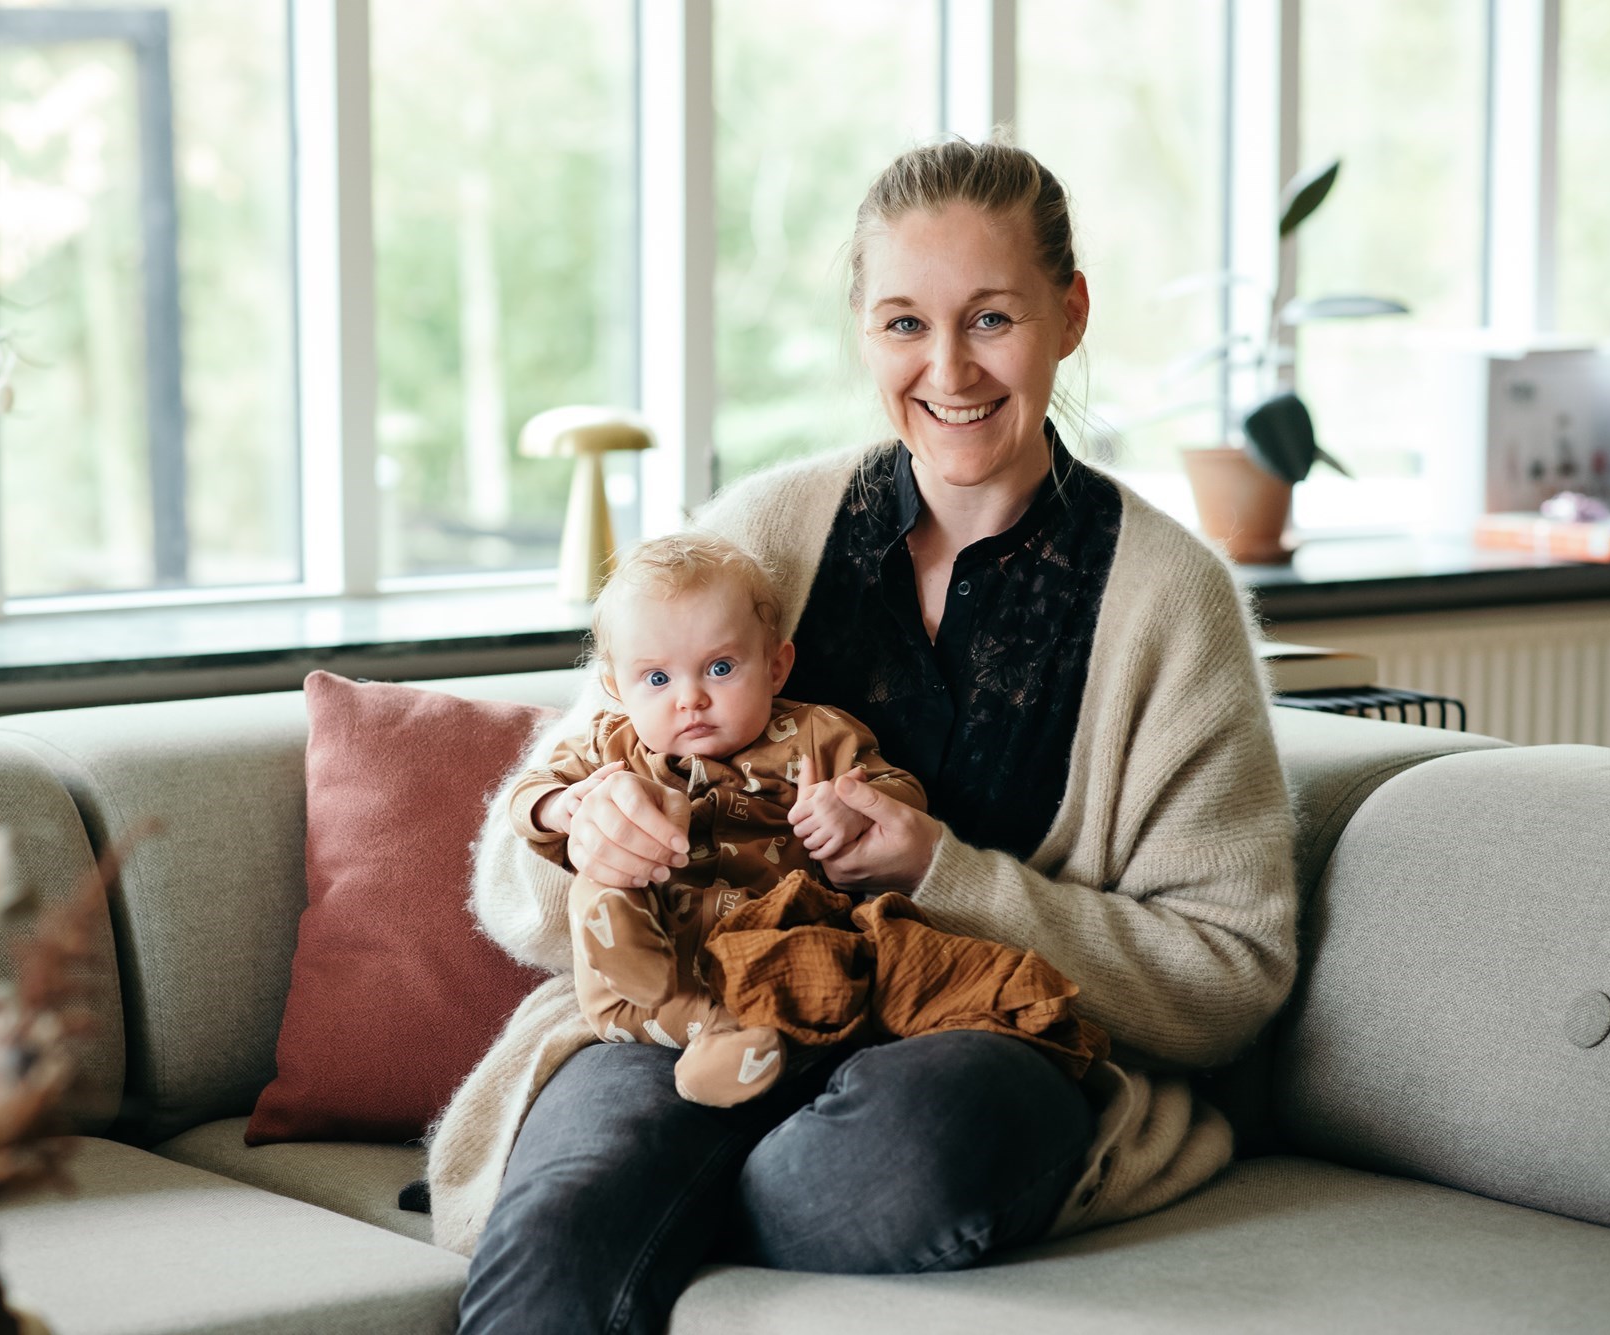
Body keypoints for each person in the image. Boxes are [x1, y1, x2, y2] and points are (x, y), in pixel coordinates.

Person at [428, 136, 1297, 1335]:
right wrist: (581, 827)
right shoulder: (759, 531)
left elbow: (1225, 979)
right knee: (567, 1214)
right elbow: (513, 880)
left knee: (885, 1160)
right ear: (860, 330)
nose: (948, 369)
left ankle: (696, 1195)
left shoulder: (1167, 600)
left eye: (990, 318)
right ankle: (667, 1191)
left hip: (980, 1050)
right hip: (701, 1013)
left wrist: (945, 875)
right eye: (902, 324)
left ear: (1068, 314)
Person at [509, 531, 1104, 1108]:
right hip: (653, 945)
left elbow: (899, 792)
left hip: (771, 941)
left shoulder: (815, 733)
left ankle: (728, 1041)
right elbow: (530, 793)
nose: (690, 698)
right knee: (602, 881)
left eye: (720, 668)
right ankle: (648, 964)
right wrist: (566, 809)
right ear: (616, 687)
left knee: (838, 966)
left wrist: (848, 807)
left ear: (776, 666)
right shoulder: (609, 746)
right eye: (658, 679)